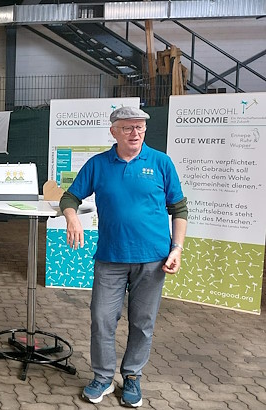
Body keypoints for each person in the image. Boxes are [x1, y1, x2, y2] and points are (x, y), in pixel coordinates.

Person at [59, 106, 188, 407]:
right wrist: (72, 217)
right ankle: (103, 376)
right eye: (129, 128)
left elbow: (179, 209)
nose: (136, 133)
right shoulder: (98, 164)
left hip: (153, 259)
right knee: (102, 318)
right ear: (113, 131)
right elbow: (69, 197)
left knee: (143, 322)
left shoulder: (161, 163)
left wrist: (177, 248)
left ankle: (132, 377)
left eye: (140, 128)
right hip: (111, 258)